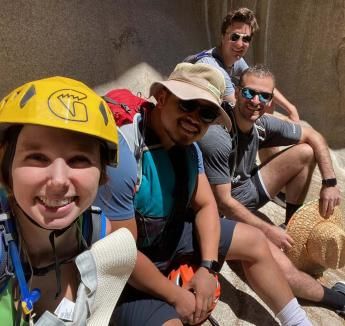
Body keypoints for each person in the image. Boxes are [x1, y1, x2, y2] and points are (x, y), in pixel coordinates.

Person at [95, 62, 312, 325]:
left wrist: (208, 268)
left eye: (207, 113)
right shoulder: (125, 153)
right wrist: (175, 296)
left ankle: (298, 321)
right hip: (128, 269)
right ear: (162, 98)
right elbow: (122, 252)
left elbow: (206, 205)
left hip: (167, 235)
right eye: (187, 104)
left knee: (254, 240)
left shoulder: (189, 148)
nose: (194, 118)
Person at [197, 64, 344, 314]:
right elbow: (223, 203)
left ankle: (291, 228)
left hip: (243, 192)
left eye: (264, 96)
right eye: (249, 93)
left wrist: (329, 182)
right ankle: (339, 301)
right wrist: (267, 230)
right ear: (238, 92)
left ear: (271, 99)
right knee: (279, 269)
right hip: (219, 212)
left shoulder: (261, 123)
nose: (256, 101)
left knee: (305, 152)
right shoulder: (219, 135)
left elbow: (314, 137)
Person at [0, 77, 137, 325]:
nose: (58, 180)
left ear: (102, 175)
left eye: (79, 159)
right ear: (6, 169)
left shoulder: (97, 232)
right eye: (38, 157)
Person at [186, 7, 299, 122]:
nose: (240, 44)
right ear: (223, 36)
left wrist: (291, 108)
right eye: (234, 37)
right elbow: (239, 112)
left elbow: (259, 82)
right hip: (189, 116)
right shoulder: (214, 68)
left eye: (246, 39)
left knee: (265, 100)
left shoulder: (236, 59)